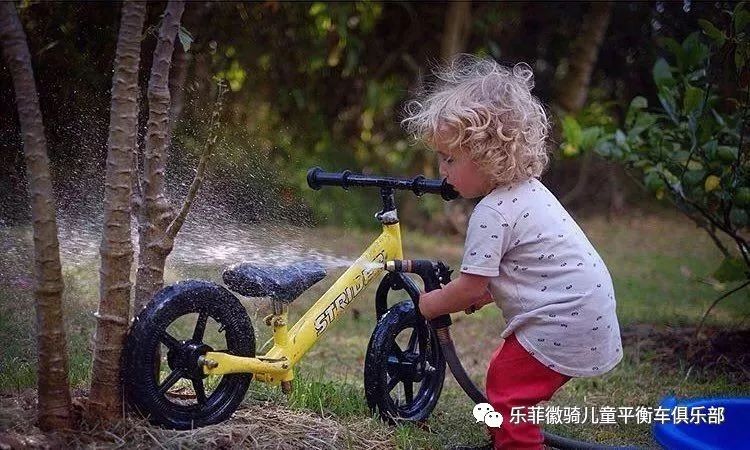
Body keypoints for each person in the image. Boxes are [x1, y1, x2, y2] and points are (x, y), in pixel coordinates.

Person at [402, 55, 623, 450]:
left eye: (450, 159)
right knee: (510, 381)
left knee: (508, 390)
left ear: (487, 155)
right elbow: (528, 269)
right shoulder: (530, 192)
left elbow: (470, 287)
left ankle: (518, 443)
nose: (441, 171)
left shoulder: (492, 212)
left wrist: (428, 304)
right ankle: (511, 434)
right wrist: (486, 294)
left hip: (562, 319)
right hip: (585, 308)